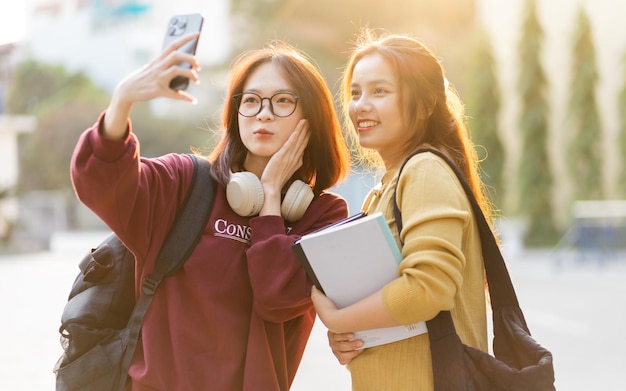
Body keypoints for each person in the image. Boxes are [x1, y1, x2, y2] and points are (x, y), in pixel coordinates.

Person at [70, 32, 351, 390]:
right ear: (236, 113)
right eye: (251, 100)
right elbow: (100, 182)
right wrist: (122, 102)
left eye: (282, 101)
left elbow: (275, 299)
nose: (263, 113)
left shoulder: (322, 217)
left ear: (312, 119)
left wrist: (269, 201)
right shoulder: (185, 183)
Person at [310, 29, 494, 390]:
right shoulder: (386, 186)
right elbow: (387, 305)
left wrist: (336, 318)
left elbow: (426, 289)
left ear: (425, 104)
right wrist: (351, 334)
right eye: (355, 92)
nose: (361, 104)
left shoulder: (424, 171)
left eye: (380, 91)